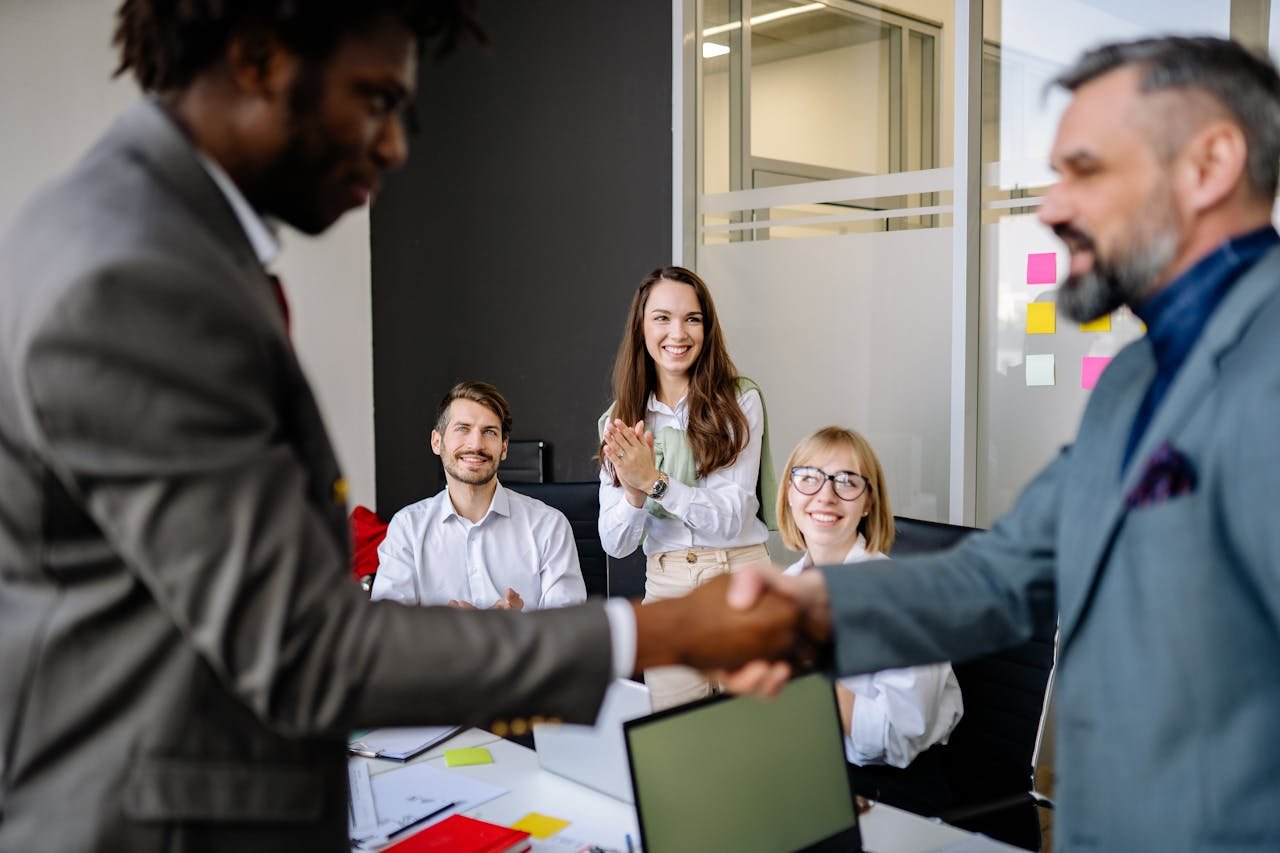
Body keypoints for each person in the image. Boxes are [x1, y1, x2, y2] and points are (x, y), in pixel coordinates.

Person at [0, 3, 803, 850]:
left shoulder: (148, 237)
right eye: (377, 99)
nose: (393, 148)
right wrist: (661, 627)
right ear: (256, 57)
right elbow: (301, 645)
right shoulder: (136, 273)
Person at [727, 36, 1280, 850]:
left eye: (1084, 169)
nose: (1051, 207)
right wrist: (768, 609)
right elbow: (998, 575)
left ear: (1211, 163)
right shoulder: (1131, 378)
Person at [598, 265, 776, 709]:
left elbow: (731, 517)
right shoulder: (618, 419)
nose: (678, 333)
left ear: (707, 328)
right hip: (668, 589)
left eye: (692, 319)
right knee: (681, 744)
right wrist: (634, 495)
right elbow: (615, 543)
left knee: (758, 738)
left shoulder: (740, 401)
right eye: (662, 318)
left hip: (743, 580)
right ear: (641, 328)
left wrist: (652, 480)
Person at [777, 426, 962, 816]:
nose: (825, 495)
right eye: (808, 478)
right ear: (789, 495)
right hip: (801, 772)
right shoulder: (783, 589)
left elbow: (895, 737)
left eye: (846, 481)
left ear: (868, 504)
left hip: (889, 789)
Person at [372, 381, 586, 610]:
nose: (476, 444)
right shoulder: (407, 529)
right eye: (462, 428)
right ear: (437, 441)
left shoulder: (549, 525)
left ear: (504, 448)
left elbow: (570, 634)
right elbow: (387, 633)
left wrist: (515, 630)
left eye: (489, 432)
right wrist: (454, 633)